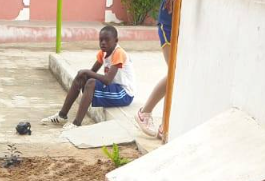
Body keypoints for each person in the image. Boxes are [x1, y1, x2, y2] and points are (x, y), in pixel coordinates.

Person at [41, 25, 137, 130]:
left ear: (116, 41)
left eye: (107, 40)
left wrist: (87, 72)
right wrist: (82, 76)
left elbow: (107, 80)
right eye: (101, 40)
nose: (103, 43)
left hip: (124, 94)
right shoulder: (103, 53)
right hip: (114, 89)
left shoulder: (118, 53)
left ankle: (76, 124)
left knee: (90, 82)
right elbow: (92, 73)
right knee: (81, 77)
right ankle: (62, 116)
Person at [135, 0, 173, 139]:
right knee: (174, 73)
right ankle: (147, 114)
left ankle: (163, 122)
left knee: (177, 74)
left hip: (185, 25)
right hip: (169, 23)